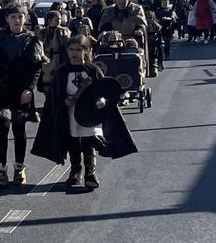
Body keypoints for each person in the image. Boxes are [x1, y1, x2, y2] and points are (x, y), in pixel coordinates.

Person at [32, 36, 137, 189]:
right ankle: (76, 170)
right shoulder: (62, 71)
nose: (74, 53)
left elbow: (103, 91)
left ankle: (90, 172)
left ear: (87, 51)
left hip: (90, 113)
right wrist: (64, 101)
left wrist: (97, 102)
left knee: (89, 140)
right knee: (73, 141)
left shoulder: (93, 70)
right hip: (69, 113)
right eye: (71, 49)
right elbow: (55, 95)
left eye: (79, 50)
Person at [0, 4, 46, 187]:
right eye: (13, 17)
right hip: (2, 88)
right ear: (7, 19)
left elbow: (36, 68)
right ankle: (1, 169)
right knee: (2, 125)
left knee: (19, 128)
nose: (17, 20)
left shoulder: (32, 39)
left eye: (20, 17)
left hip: (22, 90)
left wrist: (29, 89)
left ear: (25, 18)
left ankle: (19, 168)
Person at [38, 10, 71, 88]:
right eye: (56, 19)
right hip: (46, 58)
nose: (59, 21)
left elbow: (67, 44)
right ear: (49, 20)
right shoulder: (43, 32)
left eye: (59, 19)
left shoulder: (63, 30)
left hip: (58, 57)